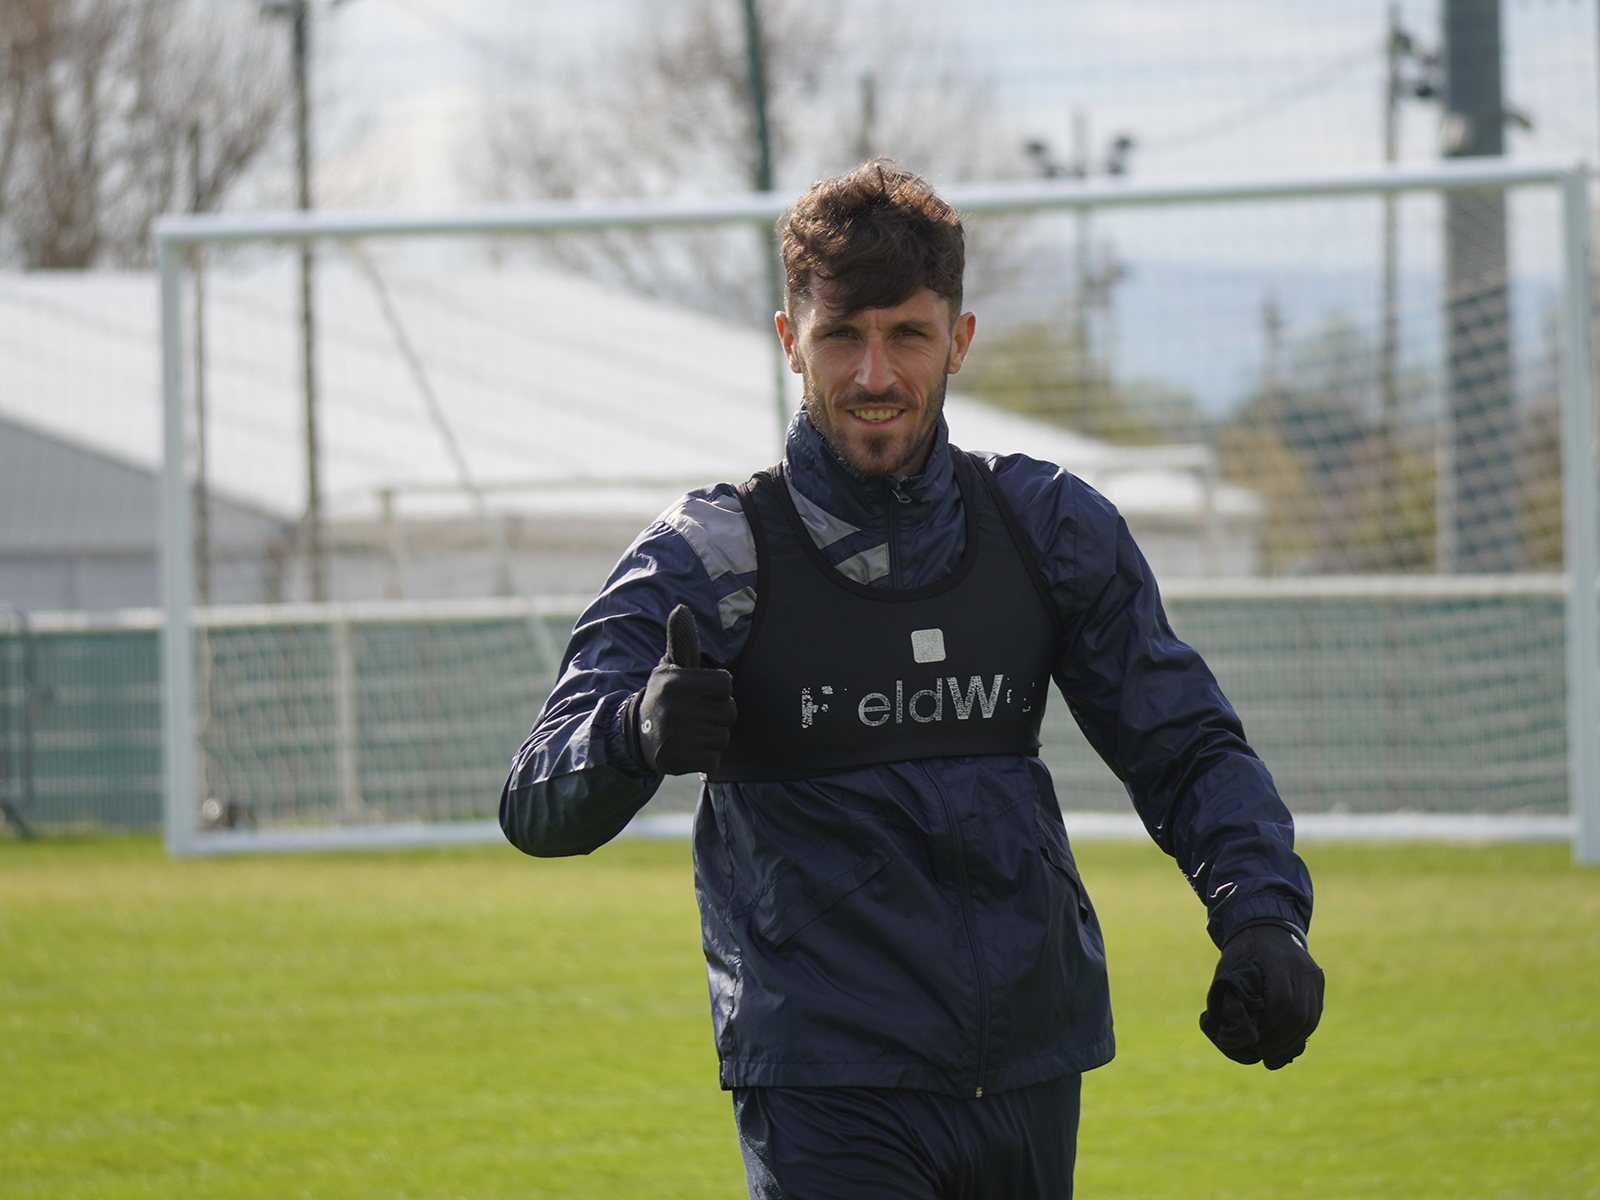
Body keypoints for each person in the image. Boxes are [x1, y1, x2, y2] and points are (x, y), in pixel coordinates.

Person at [500, 160, 1323, 1200]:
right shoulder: (710, 554)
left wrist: (1261, 915)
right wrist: (631, 733)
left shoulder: (1047, 528)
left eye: (907, 334)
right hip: (827, 1090)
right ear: (791, 338)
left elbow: (1186, 746)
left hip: (1031, 1069)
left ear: (960, 340)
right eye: (842, 334)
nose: (875, 373)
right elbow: (533, 796)